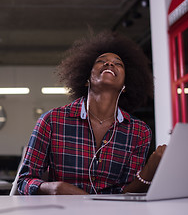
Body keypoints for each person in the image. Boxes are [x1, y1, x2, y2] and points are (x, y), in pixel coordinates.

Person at [17, 31, 166, 195]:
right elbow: (24, 181)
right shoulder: (51, 120)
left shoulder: (139, 131)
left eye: (118, 64)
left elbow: (126, 193)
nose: (109, 64)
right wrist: (54, 188)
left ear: (125, 85)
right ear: (86, 79)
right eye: (101, 61)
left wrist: (150, 169)